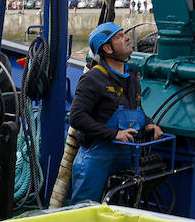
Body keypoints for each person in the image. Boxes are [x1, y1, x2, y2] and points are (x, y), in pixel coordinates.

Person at [66, 22, 163, 205]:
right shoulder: (92, 79)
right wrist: (115, 134)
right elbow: (77, 117)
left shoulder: (132, 76)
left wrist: (149, 123)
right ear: (108, 49)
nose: (127, 38)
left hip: (127, 158)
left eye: (124, 34)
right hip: (95, 161)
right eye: (119, 36)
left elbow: (136, 109)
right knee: (83, 212)